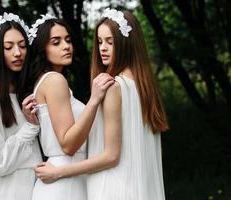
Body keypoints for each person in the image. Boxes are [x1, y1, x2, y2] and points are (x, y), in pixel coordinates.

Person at [34, 9, 169, 200]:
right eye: (99, 42)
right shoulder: (144, 88)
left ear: (126, 44)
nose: (102, 48)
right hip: (139, 188)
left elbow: (111, 156)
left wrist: (58, 172)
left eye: (110, 42)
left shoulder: (114, 87)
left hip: (111, 187)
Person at [17, 14, 114, 200]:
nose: (66, 46)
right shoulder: (54, 80)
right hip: (63, 182)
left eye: (68, 40)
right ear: (42, 49)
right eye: (56, 42)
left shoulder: (46, 81)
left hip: (65, 177)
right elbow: (68, 144)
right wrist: (94, 100)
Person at [0, 12, 42, 200]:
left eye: (22, 45)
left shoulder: (24, 92)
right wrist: (30, 128)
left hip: (31, 186)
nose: (18, 53)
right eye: (8, 47)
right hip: (5, 191)